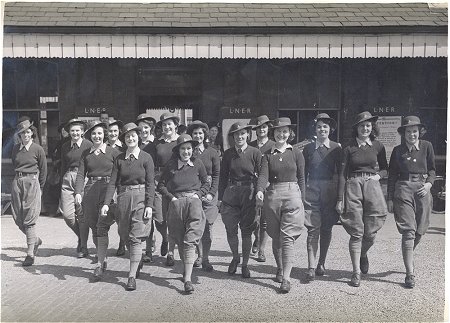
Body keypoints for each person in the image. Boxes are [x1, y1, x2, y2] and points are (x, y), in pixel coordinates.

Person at [336, 111, 388, 287]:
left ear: (372, 127)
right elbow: (343, 174)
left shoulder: (378, 146)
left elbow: (385, 169)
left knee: (371, 233)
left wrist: (377, 177)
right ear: (356, 128)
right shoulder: (349, 148)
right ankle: (356, 272)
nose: (365, 128)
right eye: (362, 125)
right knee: (356, 231)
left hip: (372, 186)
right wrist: (339, 199)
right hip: (353, 186)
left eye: (368, 125)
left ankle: (363, 254)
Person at [101, 123, 155, 291]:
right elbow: (112, 183)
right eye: (127, 136)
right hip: (123, 198)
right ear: (123, 139)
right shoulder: (119, 159)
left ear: (138, 137)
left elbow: (151, 183)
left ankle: (131, 276)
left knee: (136, 236)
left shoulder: (146, 158)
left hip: (140, 197)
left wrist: (149, 205)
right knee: (124, 233)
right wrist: (106, 203)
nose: (131, 139)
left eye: (133, 135)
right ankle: (136, 261)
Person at [255, 117, 305, 293]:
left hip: (292, 194)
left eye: (285, 131)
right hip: (273, 196)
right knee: (276, 236)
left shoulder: (296, 153)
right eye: (278, 131)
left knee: (287, 237)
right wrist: (260, 189)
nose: (281, 134)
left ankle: (286, 278)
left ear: (289, 133)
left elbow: (301, 178)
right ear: (273, 133)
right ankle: (279, 267)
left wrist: (302, 198)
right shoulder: (267, 154)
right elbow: (263, 175)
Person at [387, 116, 435, 288]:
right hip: (403, 189)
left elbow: (432, 170)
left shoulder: (427, 146)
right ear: (404, 133)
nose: (412, 134)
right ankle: (410, 273)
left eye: (415, 131)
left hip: (423, 190)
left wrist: (429, 184)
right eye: (408, 131)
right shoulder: (397, 150)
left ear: (419, 132)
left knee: (420, 231)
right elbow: (392, 176)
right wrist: (390, 198)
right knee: (409, 231)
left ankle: (407, 253)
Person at [157, 134, 209, 293]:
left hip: (193, 203)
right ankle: (186, 271)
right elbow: (161, 185)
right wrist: (171, 197)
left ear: (192, 150)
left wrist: (199, 195)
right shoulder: (171, 165)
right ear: (178, 150)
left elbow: (206, 182)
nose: (186, 152)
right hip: (176, 206)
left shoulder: (198, 163)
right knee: (180, 240)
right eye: (183, 149)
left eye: (189, 149)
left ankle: (187, 280)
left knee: (190, 240)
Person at [74, 121, 121, 280]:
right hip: (91, 189)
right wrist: (78, 192)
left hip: (108, 188)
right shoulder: (86, 153)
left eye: (100, 133)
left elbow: (119, 175)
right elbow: (81, 174)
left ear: (104, 135)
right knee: (93, 225)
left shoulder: (113, 152)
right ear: (90, 136)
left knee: (104, 224)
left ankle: (100, 262)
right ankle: (103, 257)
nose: (97, 136)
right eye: (94, 133)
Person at [218, 121, 262, 278]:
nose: (239, 137)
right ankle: (235, 257)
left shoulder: (255, 152)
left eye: (243, 133)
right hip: (231, 192)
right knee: (230, 227)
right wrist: (220, 197)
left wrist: (259, 192)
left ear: (248, 135)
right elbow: (223, 177)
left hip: (249, 193)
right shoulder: (228, 153)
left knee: (247, 230)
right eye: (236, 134)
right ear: (233, 137)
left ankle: (245, 264)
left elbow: (262, 175)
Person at [302, 113, 342, 282]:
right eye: (319, 126)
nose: (322, 129)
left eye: (325, 126)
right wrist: (302, 193)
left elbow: (341, 175)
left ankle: (321, 263)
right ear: (315, 129)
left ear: (330, 129)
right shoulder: (308, 149)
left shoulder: (336, 148)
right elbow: (302, 174)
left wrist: (340, 198)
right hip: (312, 190)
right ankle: (311, 267)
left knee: (326, 228)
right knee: (312, 228)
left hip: (329, 192)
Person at [11, 117, 47, 266]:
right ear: (19, 136)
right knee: (18, 219)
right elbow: (14, 163)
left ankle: (30, 253)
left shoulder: (38, 149)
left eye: (28, 132)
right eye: (22, 133)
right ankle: (35, 240)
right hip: (17, 182)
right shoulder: (15, 149)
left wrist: (41, 188)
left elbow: (44, 170)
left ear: (32, 133)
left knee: (29, 219)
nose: (26, 135)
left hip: (32, 183)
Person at [187, 120, 221, 271]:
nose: (198, 136)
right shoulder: (188, 151)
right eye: (195, 133)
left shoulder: (213, 152)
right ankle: (199, 256)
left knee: (208, 227)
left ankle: (205, 257)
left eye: (200, 133)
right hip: (194, 192)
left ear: (205, 135)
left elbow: (217, 175)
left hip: (209, 194)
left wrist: (212, 193)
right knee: (196, 225)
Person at [148, 112, 181, 266]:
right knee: (160, 219)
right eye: (164, 125)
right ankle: (166, 238)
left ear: (175, 125)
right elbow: (151, 164)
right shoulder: (157, 143)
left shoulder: (180, 141)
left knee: (174, 219)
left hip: (176, 181)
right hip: (160, 181)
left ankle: (171, 252)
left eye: (170, 124)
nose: (167, 127)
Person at [60, 118, 93, 257]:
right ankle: (81, 236)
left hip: (83, 177)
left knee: (81, 214)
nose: (74, 133)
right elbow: (63, 165)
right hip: (68, 178)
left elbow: (92, 163)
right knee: (68, 215)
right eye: (72, 131)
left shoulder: (88, 145)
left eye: (77, 130)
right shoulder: (65, 146)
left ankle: (83, 245)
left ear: (82, 131)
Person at [249, 115, 275, 262]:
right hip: (252, 186)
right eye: (259, 128)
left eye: (264, 127)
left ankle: (261, 250)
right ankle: (256, 239)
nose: (261, 130)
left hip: (267, 185)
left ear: (268, 128)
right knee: (253, 219)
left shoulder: (273, 145)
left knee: (264, 219)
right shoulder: (251, 145)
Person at [135, 113, 158, 262]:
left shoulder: (156, 144)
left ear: (151, 128)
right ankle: (147, 250)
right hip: (139, 184)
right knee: (144, 216)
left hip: (153, 183)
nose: (144, 131)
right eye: (141, 128)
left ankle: (159, 242)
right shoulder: (134, 143)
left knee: (156, 217)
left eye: (146, 127)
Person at [106, 118, 127, 257]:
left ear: (118, 132)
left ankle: (122, 243)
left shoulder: (124, 147)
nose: (112, 134)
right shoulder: (103, 147)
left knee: (121, 215)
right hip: (107, 183)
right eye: (110, 131)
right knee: (106, 214)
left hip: (121, 183)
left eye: (115, 131)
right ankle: (103, 245)